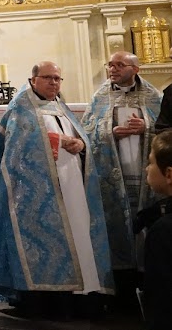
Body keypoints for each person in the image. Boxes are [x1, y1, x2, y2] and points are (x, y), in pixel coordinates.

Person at [0, 62, 112, 320]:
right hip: (36, 198)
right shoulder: (20, 110)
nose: (54, 83)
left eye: (58, 79)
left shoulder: (60, 107)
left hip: (72, 187)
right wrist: (57, 141)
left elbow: (81, 138)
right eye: (49, 78)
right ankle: (45, 302)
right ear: (33, 79)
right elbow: (17, 152)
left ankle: (81, 297)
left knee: (78, 237)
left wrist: (80, 145)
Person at [82, 51, 160, 306]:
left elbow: (164, 129)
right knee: (116, 229)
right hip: (113, 176)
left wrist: (146, 127)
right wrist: (110, 133)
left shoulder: (153, 96)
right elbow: (88, 132)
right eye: (110, 65)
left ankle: (148, 282)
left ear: (135, 69)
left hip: (145, 174)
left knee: (146, 228)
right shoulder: (100, 96)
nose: (112, 69)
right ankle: (120, 289)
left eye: (119, 65)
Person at [137, 130, 172, 330]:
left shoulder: (162, 231)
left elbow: (160, 298)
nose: (146, 169)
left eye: (150, 162)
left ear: (168, 174)